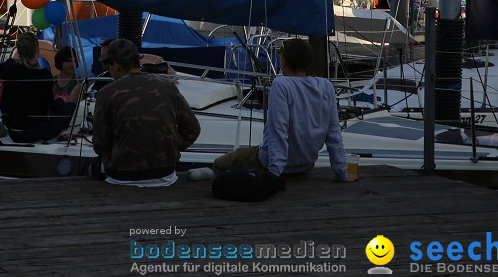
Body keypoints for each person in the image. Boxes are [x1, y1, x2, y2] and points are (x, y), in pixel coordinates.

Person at [208, 38, 352, 183]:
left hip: (275, 166)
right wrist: (341, 173)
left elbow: (278, 131)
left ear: (283, 62)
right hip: (305, 167)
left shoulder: (281, 85)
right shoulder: (326, 86)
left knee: (220, 164)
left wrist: (274, 174)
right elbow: (334, 134)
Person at [92, 38, 200, 187]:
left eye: (108, 65)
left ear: (115, 65)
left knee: (93, 167)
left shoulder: (106, 93)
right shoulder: (167, 86)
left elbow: (100, 145)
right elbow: (192, 129)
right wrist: (170, 146)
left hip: (121, 176)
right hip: (165, 174)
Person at [0, 33, 62, 142]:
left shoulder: (9, 67)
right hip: (34, 132)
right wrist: (61, 103)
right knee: (66, 106)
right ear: (37, 51)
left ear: (19, 52)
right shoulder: (44, 75)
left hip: (13, 132)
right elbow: (50, 106)